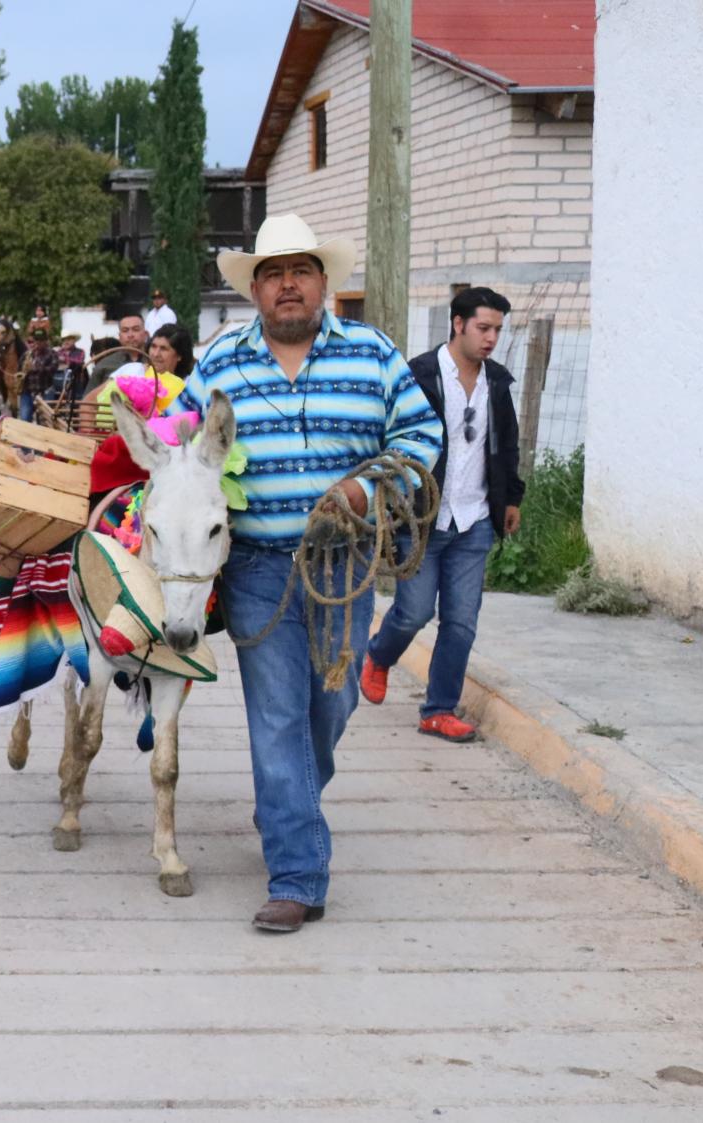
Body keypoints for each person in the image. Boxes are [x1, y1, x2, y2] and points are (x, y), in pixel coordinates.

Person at [176, 214, 441, 934]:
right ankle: (296, 874)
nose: (287, 284)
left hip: (345, 566)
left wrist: (363, 490)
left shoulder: (373, 354)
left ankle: (284, 803)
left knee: (332, 708)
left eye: (300, 270)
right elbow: (179, 440)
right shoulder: (221, 362)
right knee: (278, 717)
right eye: (272, 273)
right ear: (255, 290)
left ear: (323, 283)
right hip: (259, 567)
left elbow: (421, 437)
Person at [363, 287, 524, 743]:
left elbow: (507, 446)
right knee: (413, 612)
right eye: (483, 328)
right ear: (458, 324)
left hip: (474, 519)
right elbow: (392, 438)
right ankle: (378, 656)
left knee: (461, 621)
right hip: (423, 518)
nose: (491, 338)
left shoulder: (498, 384)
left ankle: (438, 709)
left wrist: (511, 499)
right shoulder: (420, 375)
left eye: (497, 329)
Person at [85, 311, 149, 398]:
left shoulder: (155, 361)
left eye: (136, 329)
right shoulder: (105, 364)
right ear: (119, 336)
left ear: (145, 334)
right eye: (125, 330)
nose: (130, 335)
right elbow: (87, 402)